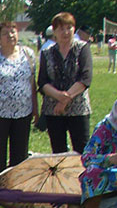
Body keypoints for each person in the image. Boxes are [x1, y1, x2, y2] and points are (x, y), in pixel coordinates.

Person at [0, 21, 37, 179]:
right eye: (5, 33)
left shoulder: (28, 55)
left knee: (20, 158)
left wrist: (35, 109)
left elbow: (32, 84)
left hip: (23, 114)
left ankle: (15, 190)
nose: (10, 35)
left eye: (13, 31)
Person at [38, 12, 93, 154]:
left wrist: (65, 99)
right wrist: (58, 96)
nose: (66, 32)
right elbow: (42, 82)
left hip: (78, 108)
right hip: (53, 110)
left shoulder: (83, 48)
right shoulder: (46, 52)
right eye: (61, 29)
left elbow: (85, 78)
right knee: (58, 152)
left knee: (82, 151)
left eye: (69, 28)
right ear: (54, 31)